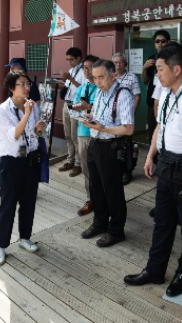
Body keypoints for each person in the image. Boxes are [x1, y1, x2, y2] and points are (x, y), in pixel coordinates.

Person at [124, 45, 182, 297]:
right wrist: (151, 155)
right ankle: (155, 269)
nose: (157, 74)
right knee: (162, 221)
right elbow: (159, 128)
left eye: (161, 69)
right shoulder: (165, 93)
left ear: (177, 69)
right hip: (165, 163)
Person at [0, 72, 46, 266]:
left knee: (29, 201)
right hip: (11, 161)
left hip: (30, 160)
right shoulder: (2, 110)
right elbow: (14, 135)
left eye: (28, 83)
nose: (26, 87)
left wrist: (39, 128)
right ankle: (0, 246)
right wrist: (27, 115)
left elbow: (33, 133)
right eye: (21, 84)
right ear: (11, 88)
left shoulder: (33, 106)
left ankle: (25, 237)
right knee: (7, 204)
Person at [80, 59, 134, 248]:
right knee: (95, 187)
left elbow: (128, 129)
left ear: (113, 75)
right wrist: (90, 117)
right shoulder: (100, 93)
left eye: (101, 77)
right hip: (95, 143)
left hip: (110, 147)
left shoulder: (123, 94)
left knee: (112, 190)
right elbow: (100, 116)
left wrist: (103, 128)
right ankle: (99, 223)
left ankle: (116, 230)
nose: (97, 82)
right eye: (94, 78)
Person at [68, 55, 99, 215]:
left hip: (99, 134)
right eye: (84, 67)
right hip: (83, 132)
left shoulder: (101, 87)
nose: (86, 71)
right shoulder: (81, 88)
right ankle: (91, 199)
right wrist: (77, 107)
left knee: (99, 169)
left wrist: (88, 107)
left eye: (89, 67)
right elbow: (73, 106)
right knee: (86, 168)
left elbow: (102, 109)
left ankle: (101, 198)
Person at [113, 52, 141, 185]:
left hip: (126, 118)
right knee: (114, 146)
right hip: (113, 119)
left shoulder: (131, 77)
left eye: (120, 62)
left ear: (125, 64)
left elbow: (137, 96)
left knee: (126, 146)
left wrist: (130, 114)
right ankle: (116, 169)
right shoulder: (111, 77)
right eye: (115, 62)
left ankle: (127, 172)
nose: (117, 65)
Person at [58, 47, 85, 175]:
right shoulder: (71, 70)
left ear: (79, 58)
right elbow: (69, 87)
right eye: (67, 59)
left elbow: (84, 89)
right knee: (67, 134)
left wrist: (70, 78)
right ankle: (70, 159)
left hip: (77, 104)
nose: (69, 62)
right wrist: (62, 83)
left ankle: (78, 163)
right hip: (67, 103)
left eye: (71, 59)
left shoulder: (84, 71)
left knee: (75, 136)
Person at [142, 30, 170, 142]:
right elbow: (145, 81)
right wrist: (144, 68)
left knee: (166, 133)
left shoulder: (172, 59)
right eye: (157, 41)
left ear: (168, 42)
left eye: (163, 41)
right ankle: (152, 157)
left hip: (169, 101)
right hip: (152, 101)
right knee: (153, 131)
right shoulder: (151, 59)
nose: (160, 43)